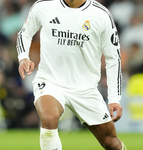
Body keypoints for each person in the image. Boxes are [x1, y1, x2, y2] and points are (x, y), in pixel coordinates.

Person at [16, 0, 127, 149]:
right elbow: (25, 33)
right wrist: (23, 57)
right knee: (49, 119)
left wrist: (114, 98)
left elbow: (113, 58)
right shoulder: (43, 6)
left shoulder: (101, 15)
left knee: (111, 142)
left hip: (85, 89)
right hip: (50, 81)